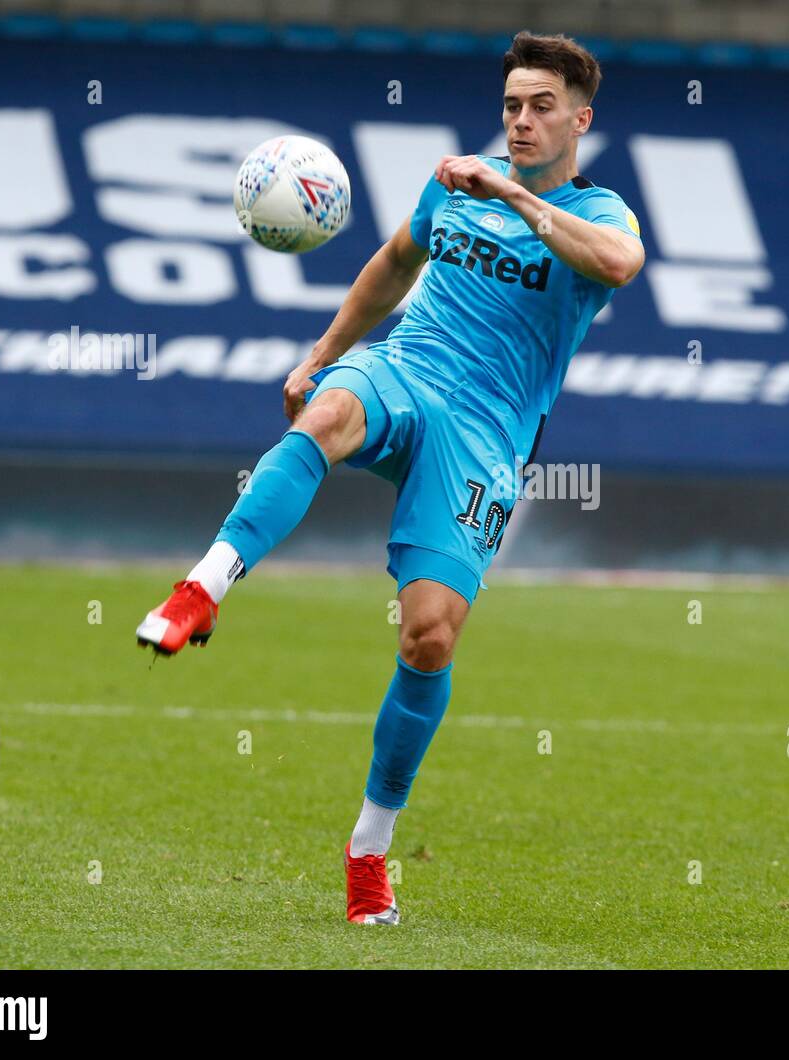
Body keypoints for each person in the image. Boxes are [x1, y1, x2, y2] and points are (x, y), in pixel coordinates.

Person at [133, 31, 644, 921]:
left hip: (487, 432)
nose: (521, 121)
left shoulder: (601, 211)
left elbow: (617, 265)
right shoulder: (453, 185)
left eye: (540, 107)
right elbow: (391, 266)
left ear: (579, 118)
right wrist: (322, 353)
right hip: (409, 366)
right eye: (512, 106)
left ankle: (368, 852)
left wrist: (515, 195)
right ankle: (201, 588)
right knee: (326, 414)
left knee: (430, 639)